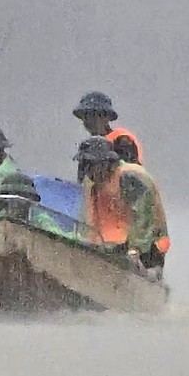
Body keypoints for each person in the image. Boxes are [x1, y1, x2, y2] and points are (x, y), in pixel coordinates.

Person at [74, 137, 169, 274]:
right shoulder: (97, 186)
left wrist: (135, 250)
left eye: (91, 165)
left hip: (149, 249)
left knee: (142, 273)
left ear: (105, 163)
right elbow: (92, 223)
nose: (88, 172)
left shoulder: (130, 176)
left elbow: (143, 216)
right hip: (114, 248)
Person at [73, 91, 144, 165]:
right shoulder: (88, 147)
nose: (86, 121)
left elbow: (128, 171)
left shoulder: (121, 139)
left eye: (92, 115)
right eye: (84, 117)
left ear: (106, 117)